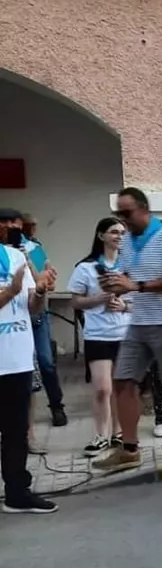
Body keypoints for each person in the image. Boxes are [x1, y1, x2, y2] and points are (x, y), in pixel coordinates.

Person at [93, 188, 162, 473]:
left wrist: (136, 286)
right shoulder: (129, 241)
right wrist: (114, 283)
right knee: (123, 381)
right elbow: (129, 276)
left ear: (144, 209)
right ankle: (130, 449)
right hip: (137, 323)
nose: (123, 220)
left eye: (127, 213)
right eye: (118, 214)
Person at [0, 208, 58, 513]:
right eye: (5, 225)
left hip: (17, 358)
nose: (11, 230)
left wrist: (40, 291)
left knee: (15, 431)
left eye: (15, 226)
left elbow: (32, 308)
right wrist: (10, 289)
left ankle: (17, 492)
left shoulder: (19, 257)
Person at [67, 217, 131, 454]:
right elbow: (75, 301)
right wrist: (99, 299)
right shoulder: (86, 267)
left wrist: (124, 306)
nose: (119, 237)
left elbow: (142, 302)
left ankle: (118, 433)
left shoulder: (129, 266)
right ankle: (99, 435)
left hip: (125, 335)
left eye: (123, 233)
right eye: (114, 232)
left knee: (120, 387)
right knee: (103, 388)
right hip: (98, 335)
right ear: (101, 235)